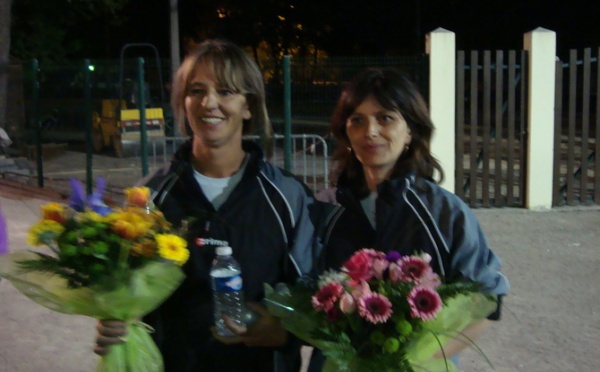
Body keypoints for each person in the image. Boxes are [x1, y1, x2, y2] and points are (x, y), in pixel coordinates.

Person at [95, 39, 327, 372]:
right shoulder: (149, 197)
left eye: (227, 91)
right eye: (196, 91)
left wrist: (284, 332)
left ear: (249, 106)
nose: (210, 103)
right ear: (183, 102)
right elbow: (127, 294)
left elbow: (314, 299)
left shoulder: (289, 198)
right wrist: (115, 323)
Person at [309, 67, 509, 370]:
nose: (370, 131)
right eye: (357, 120)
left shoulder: (445, 214)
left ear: (411, 130)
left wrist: (413, 361)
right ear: (345, 132)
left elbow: (485, 305)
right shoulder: (324, 209)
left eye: (385, 118)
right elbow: (303, 296)